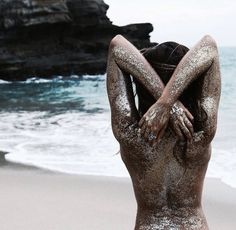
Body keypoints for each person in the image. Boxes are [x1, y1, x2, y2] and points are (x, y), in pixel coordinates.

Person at [106, 34, 221, 229]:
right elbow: (209, 47)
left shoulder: (132, 136)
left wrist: (164, 102)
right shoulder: (200, 135)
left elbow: (117, 47)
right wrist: (168, 102)